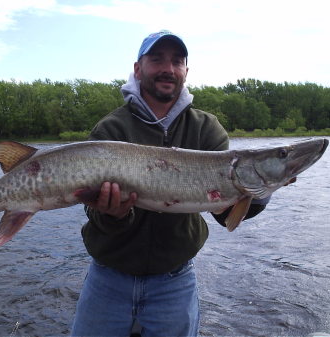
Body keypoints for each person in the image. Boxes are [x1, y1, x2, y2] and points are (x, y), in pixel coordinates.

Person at [71, 30, 268, 337]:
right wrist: (114, 214)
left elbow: (221, 212)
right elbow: (92, 210)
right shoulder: (111, 127)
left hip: (174, 280)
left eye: (177, 61)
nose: (168, 68)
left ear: (186, 71)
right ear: (138, 69)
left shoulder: (206, 128)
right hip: (109, 277)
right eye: (157, 59)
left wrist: (257, 193)